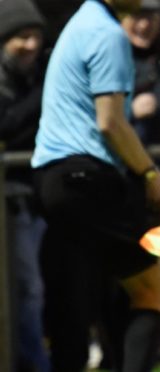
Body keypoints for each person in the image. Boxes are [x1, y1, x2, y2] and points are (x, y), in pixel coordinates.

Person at [31, 0, 160, 371]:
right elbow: (110, 122)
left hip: (54, 180)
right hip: (88, 178)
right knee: (150, 289)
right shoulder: (107, 33)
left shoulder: (82, 20)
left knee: (89, 299)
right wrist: (149, 173)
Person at [0, 0, 49, 371]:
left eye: (35, 37)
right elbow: (7, 125)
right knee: (27, 290)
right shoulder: (18, 83)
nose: (31, 45)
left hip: (34, 197)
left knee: (33, 289)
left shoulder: (34, 77)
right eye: (21, 37)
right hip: (10, 200)